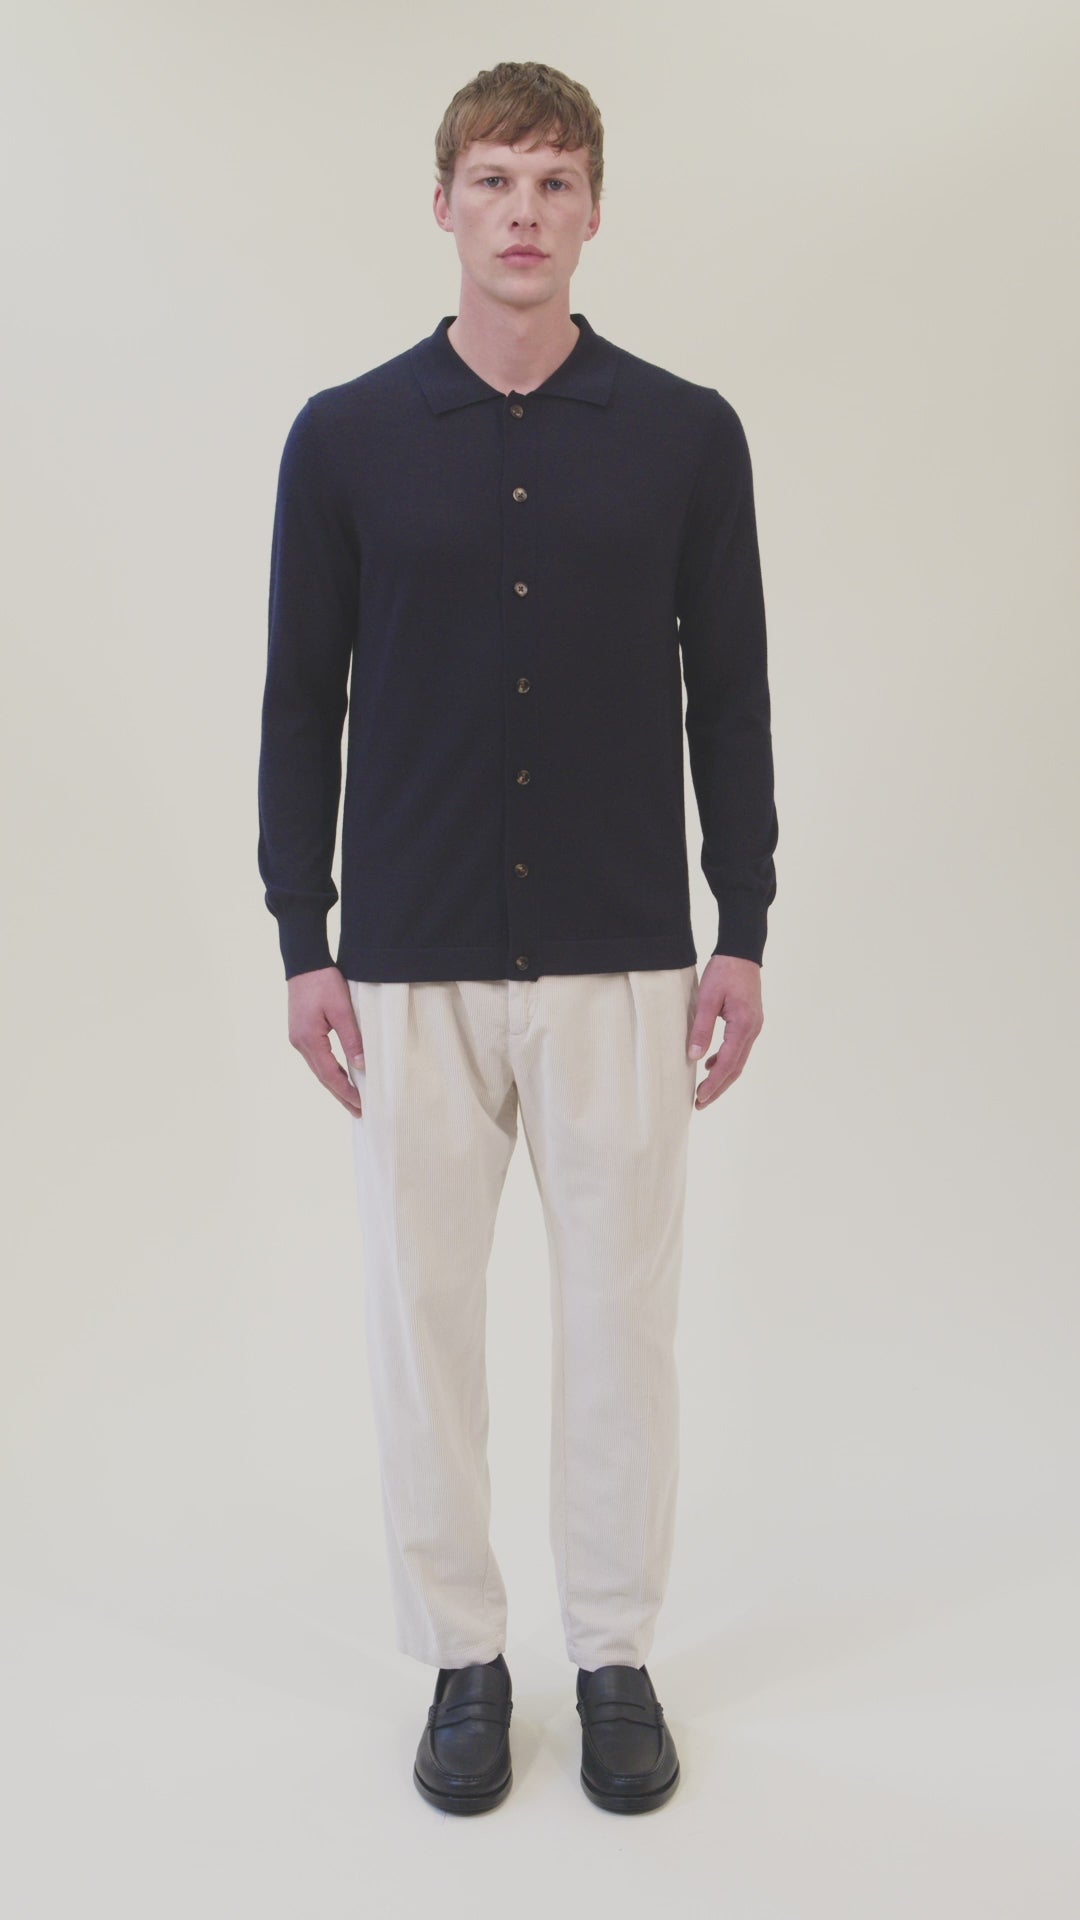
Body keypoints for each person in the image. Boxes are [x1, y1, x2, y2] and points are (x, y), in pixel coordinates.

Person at [257, 59, 778, 1816]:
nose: (525, 212)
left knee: (622, 1323)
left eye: (555, 181)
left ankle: (614, 1656)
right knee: (425, 1323)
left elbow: (732, 694)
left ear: (595, 210)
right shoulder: (344, 438)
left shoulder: (687, 434)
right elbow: (301, 701)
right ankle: (464, 1660)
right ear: (444, 206)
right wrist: (302, 936)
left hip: (627, 953)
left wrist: (745, 920)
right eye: (495, 179)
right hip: (407, 957)